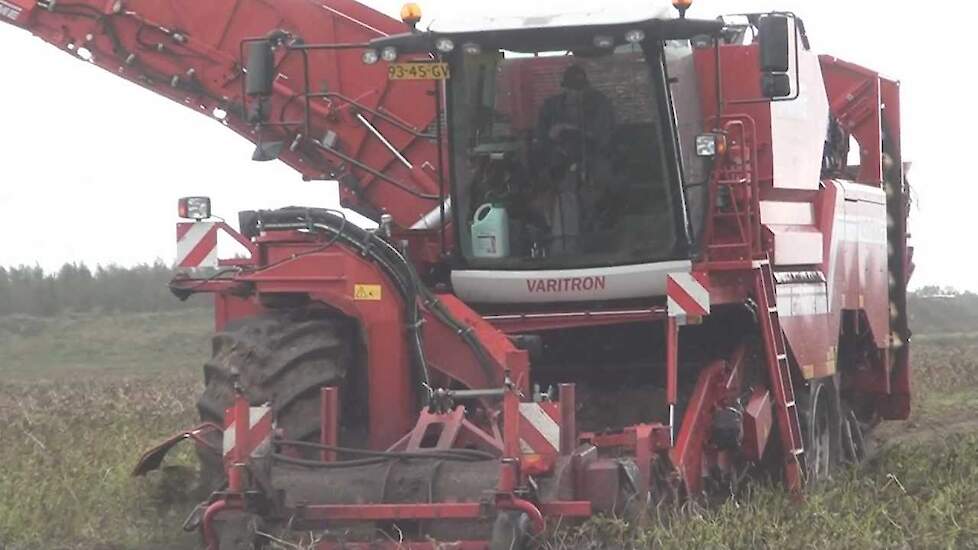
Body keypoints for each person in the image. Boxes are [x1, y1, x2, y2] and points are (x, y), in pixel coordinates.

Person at [535, 65, 616, 254]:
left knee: (601, 189)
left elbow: (605, 138)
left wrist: (572, 130)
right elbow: (541, 139)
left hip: (595, 162)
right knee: (561, 195)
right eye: (571, 88)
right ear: (564, 87)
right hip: (559, 165)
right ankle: (562, 246)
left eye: (579, 89)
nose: (575, 93)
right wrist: (554, 141)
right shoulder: (550, 107)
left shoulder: (600, 104)